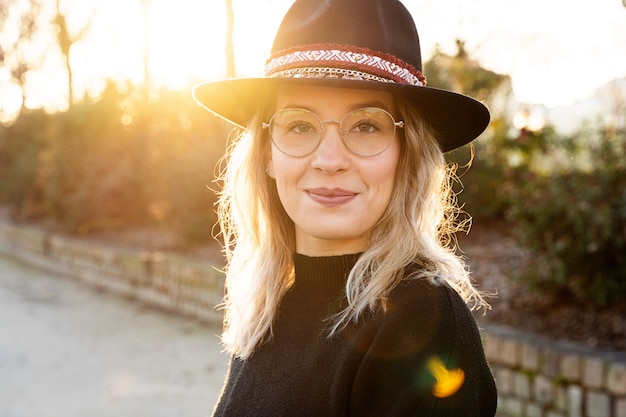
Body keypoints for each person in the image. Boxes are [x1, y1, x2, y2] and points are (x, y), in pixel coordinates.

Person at [193, 0, 497, 415]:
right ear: (266, 153)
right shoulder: (271, 303)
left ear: (406, 154)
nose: (329, 159)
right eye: (299, 126)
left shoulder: (421, 320)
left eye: (367, 125)